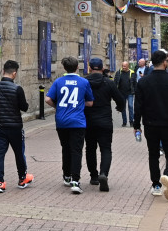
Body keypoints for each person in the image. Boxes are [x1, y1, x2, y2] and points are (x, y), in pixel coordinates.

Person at [133, 49, 168, 200]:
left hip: (150, 123)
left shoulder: (143, 81)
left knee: (153, 154)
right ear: (164, 62)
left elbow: (138, 106)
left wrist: (136, 125)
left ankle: (156, 185)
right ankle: (167, 175)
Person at [46, 56, 93, 191]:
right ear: (77, 67)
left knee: (65, 148)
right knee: (76, 150)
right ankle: (75, 180)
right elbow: (90, 102)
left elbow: (48, 99)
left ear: (64, 68)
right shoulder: (83, 82)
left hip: (62, 120)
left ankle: (66, 175)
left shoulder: (58, 81)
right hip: (77, 121)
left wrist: (58, 107)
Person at [0, 59, 32, 192]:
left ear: (3, 71)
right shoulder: (17, 89)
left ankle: (0, 182)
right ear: (14, 73)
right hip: (15, 127)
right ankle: (22, 178)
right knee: (19, 153)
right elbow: (24, 107)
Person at [84, 58, 123, 192]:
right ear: (102, 68)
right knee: (106, 149)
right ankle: (104, 173)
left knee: (90, 148)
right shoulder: (108, 82)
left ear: (89, 68)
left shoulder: (84, 82)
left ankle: (94, 176)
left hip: (88, 121)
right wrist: (120, 107)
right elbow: (120, 99)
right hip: (105, 121)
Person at [113, 61, 134, 127]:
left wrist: (135, 91)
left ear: (128, 66)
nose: (123, 67)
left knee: (130, 106)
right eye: (122, 66)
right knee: (123, 108)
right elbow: (115, 82)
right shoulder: (118, 73)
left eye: (125, 66)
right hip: (121, 93)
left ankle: (131, 122)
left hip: (130, 93)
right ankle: (124, 122)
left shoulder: (132, 73)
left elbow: (134, 83)